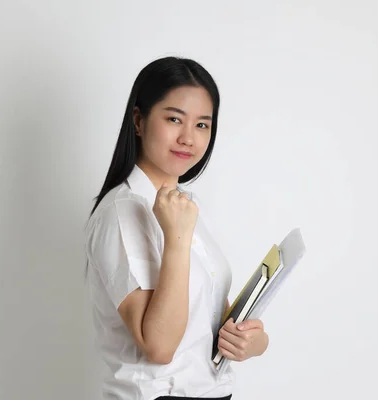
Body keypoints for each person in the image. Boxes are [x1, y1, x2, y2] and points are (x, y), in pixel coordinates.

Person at [85, 56, 269, 400]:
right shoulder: (123, 212)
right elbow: (159, 347)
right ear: (138, 121)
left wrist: (252, 341)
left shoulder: (183, 206)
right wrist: (177, 239)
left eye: (202, 125)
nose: (188, 137)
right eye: (174, 119)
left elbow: (208, 317)